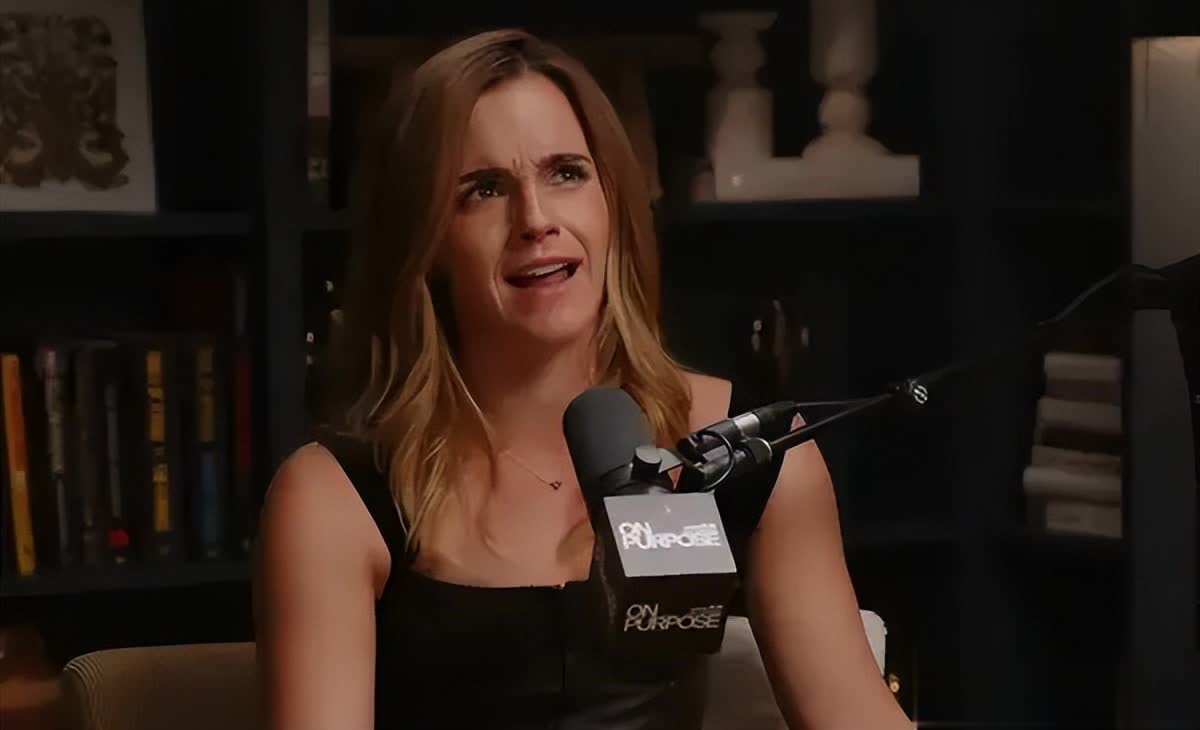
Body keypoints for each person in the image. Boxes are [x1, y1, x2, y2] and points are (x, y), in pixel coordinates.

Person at [253, 28, 913, 730]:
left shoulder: (749, 449)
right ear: (425, 242)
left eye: (565, 173)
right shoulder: (330, 498)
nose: (535, 220)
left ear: (612, 204)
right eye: (483, 190)